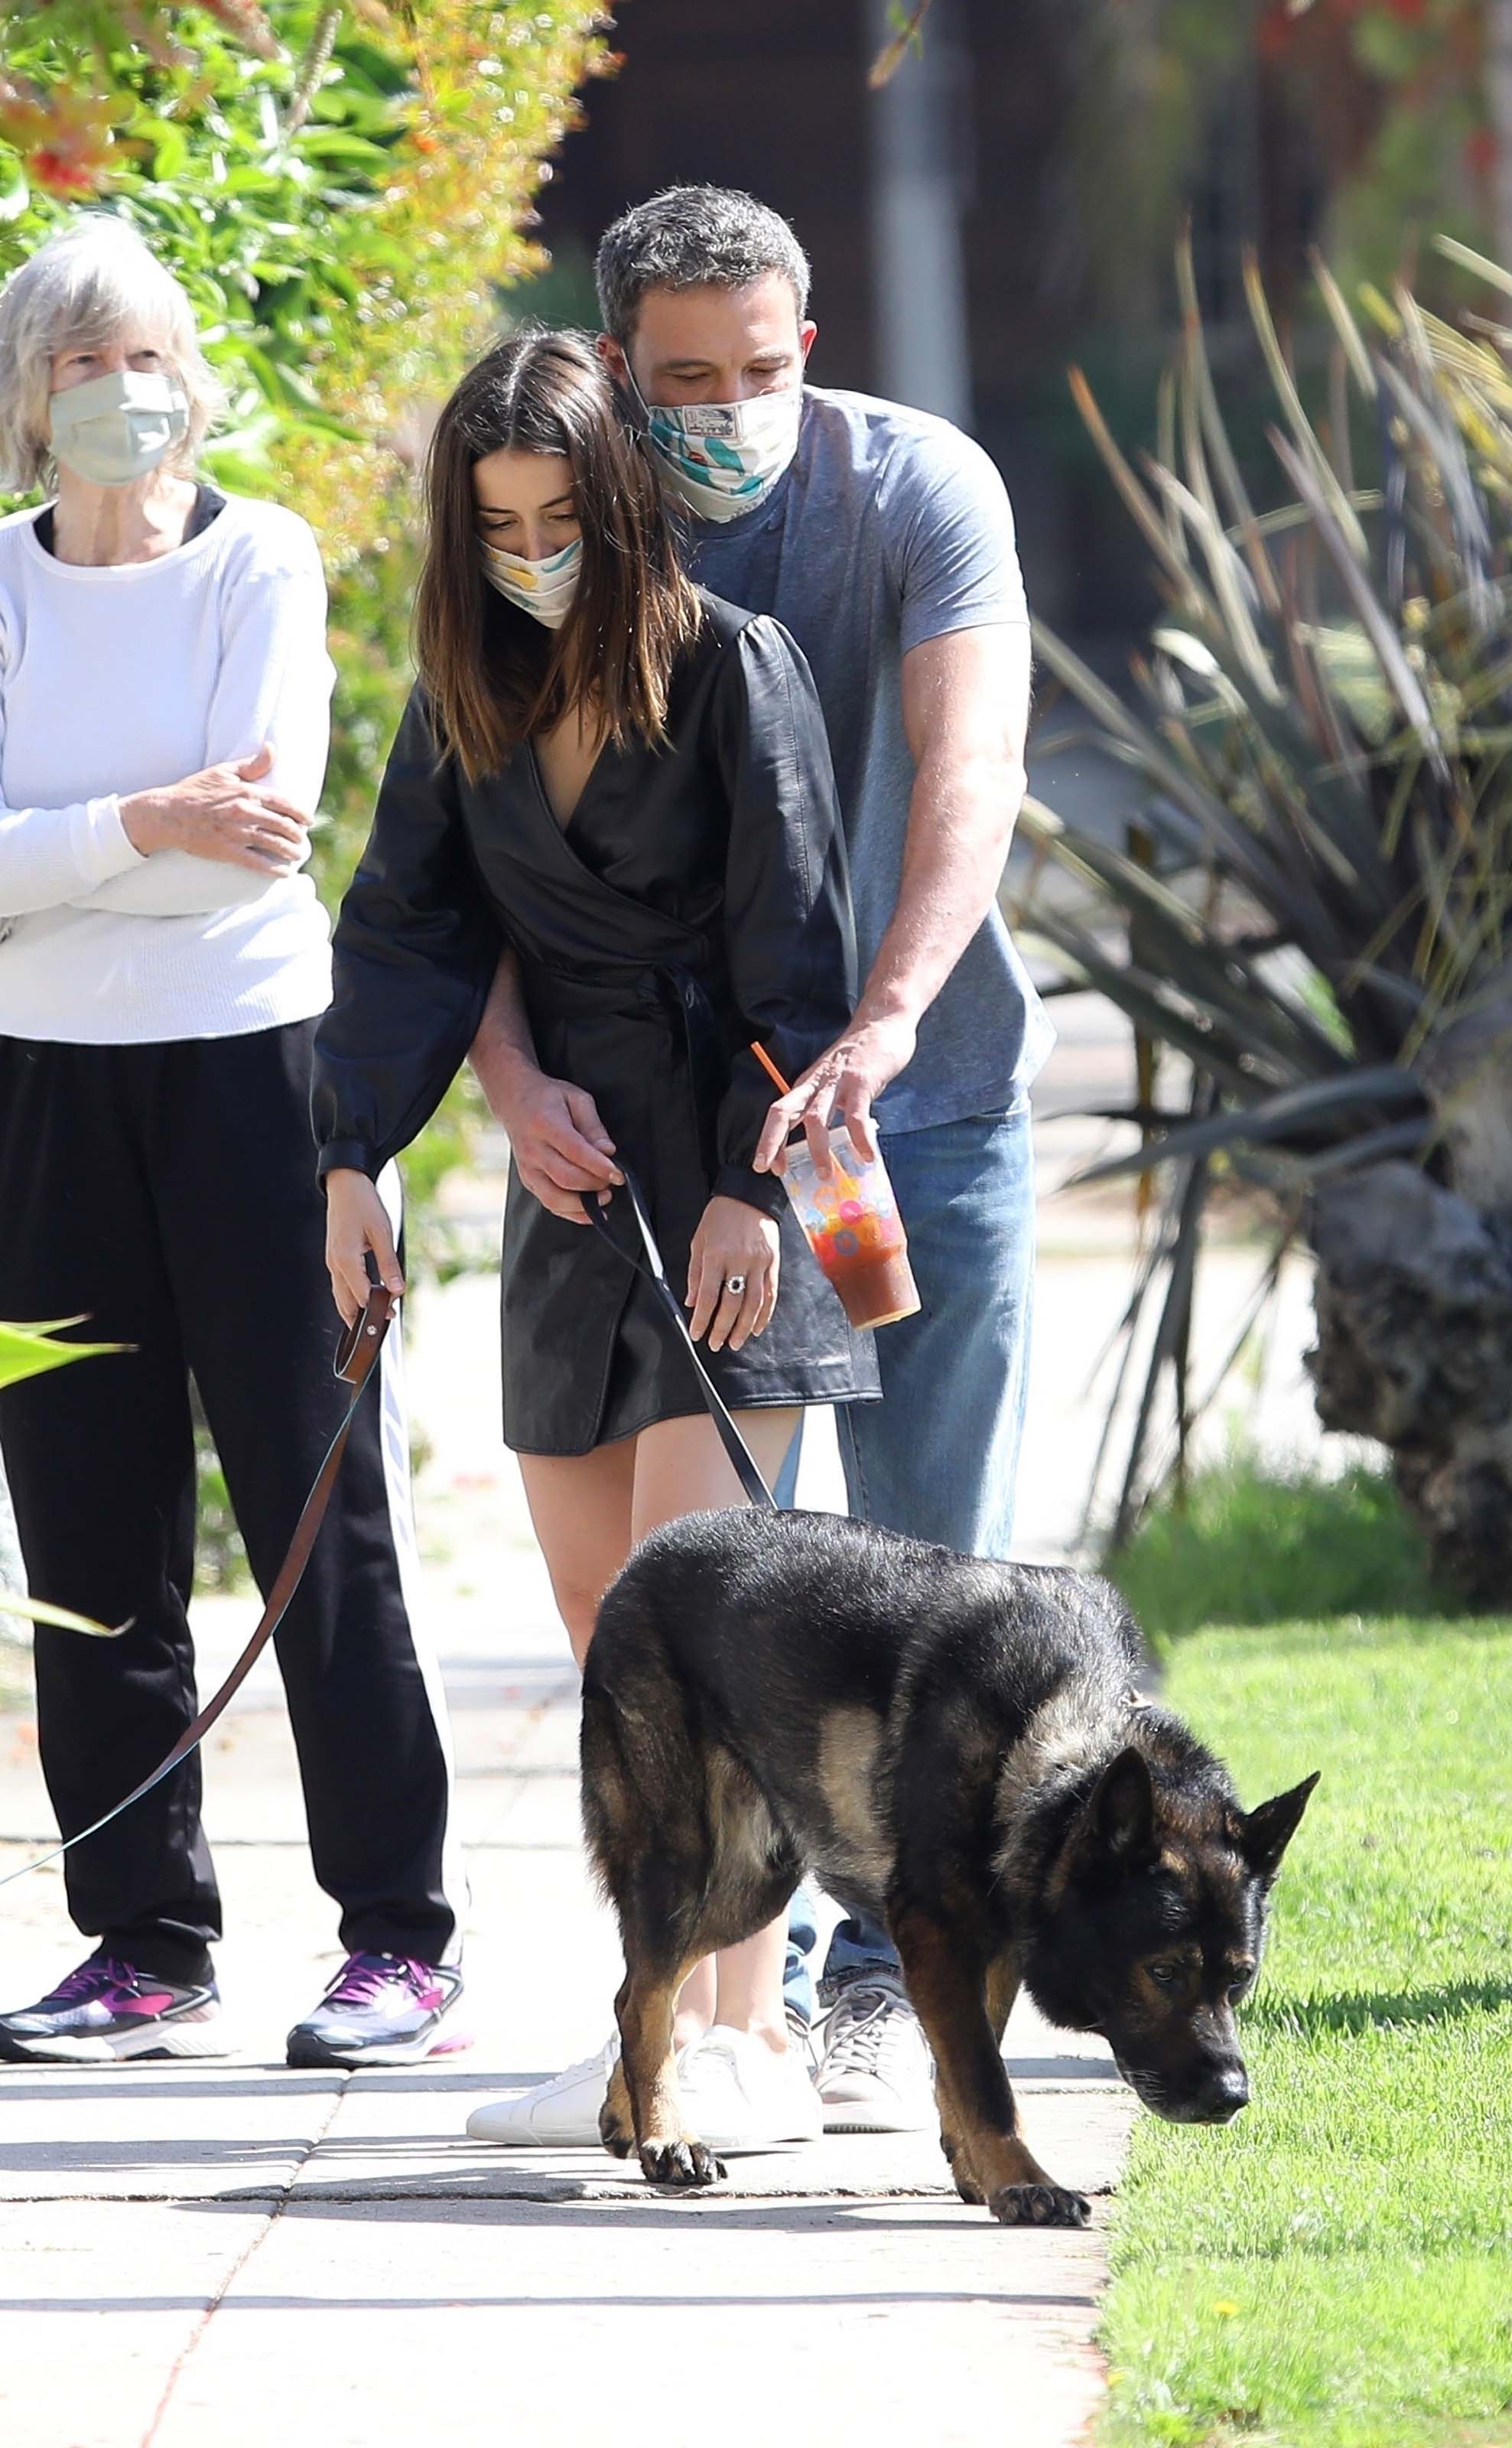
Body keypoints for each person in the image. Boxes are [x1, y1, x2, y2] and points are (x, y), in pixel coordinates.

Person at [470, 186, 1049, 2136]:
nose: (730, 403)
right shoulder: (577, 520)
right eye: (686, 374)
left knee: (936, 1583)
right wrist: (501, 1068)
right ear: (621, 365)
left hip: (918, 1110)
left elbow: (967, 772)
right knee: (731, 1595)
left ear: (814, 338)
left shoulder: (912, 492)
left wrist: (879, 1025)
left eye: (765, 363)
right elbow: (476, 843)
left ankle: (899, 1976)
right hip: (695, 1152)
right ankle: (757, 2006)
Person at [314, 327, 876, 2154]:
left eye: (561, 515)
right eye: (495, 525)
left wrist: (751, 1182)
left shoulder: (732, 667)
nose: (531, 551)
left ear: (621, 500)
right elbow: (406, 928)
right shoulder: (463, 689)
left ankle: (742, 2047)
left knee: (705, 1635)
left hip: (726, 1180)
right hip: (572, 1190)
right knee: (598, 1634)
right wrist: (361, 1155)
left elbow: (799, 947)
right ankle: (655, 2032)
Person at [0, 216, 465, 2072]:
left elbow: (263, 826)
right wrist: (139, 824)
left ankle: (398, 1936)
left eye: (154, 359)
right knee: (84, 1518)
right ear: (32, 404)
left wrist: (58, 847)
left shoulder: (258, 558)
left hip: (255, 1071)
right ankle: (142, 1941)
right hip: (39, 1088)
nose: (129, 395)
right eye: (86, 365)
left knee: (310, 1502)